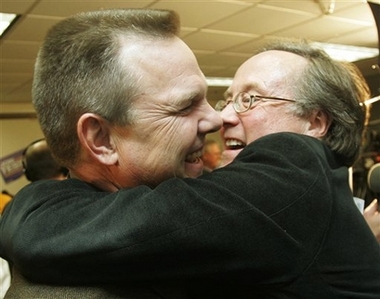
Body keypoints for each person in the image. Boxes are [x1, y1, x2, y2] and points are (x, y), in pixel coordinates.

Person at [0, 8, 379, 298]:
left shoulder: (292, 172)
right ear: (100, 139)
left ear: (316, 122)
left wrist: (26, 206)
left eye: (250, 99)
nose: (219, 117)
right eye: (185, 106)